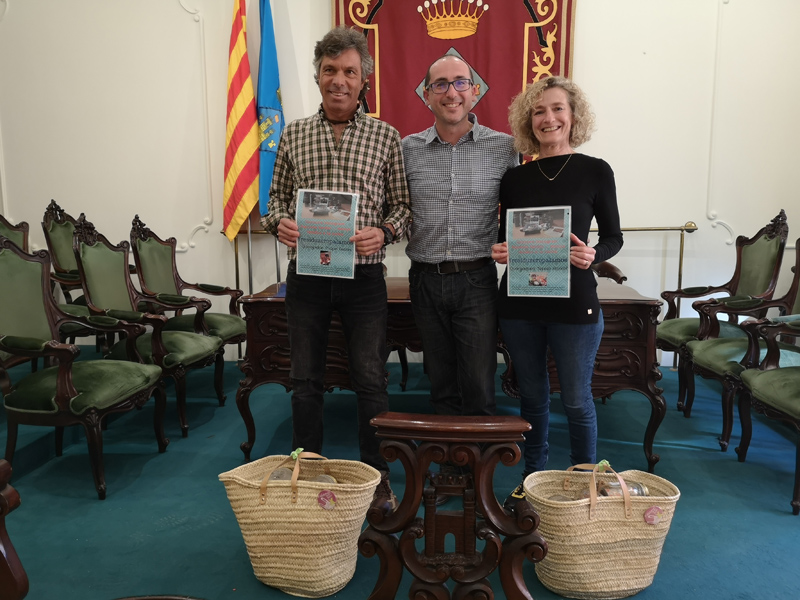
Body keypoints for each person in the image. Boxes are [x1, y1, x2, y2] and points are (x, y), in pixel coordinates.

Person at [261, 26, 411, 509]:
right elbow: (275, 200)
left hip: (364, 277)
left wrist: (384, 232)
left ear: (364, 77)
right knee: (305, 380)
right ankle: (308, 471)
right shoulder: (295, 133)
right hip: (306, 277)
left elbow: (403, 209)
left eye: (349, 71)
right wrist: (279, 222)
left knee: (371, 378)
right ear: (318, 75)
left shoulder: (386, 136)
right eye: (330, 70)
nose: (339, 80)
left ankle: (376, 476)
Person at [491, 76, 623, 510]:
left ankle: (584, 480)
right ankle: (533, 478)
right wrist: (501, 249)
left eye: (557, 109)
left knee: (576, 398)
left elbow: (614, 237)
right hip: (519, 302)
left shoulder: (595, 170)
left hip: (574, 302)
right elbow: (504, 234)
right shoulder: (513, 178)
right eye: (539, 112)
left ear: (573, 116)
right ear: (529, 122)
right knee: (531, 395)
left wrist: (595, 254)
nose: (548, 118)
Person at [403, 55, 518, 421]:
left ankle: (476, 468)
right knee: (440, 381)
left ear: (474, 91)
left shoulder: (504, 148)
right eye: (440, 84)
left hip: (476, 280)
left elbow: (521, 210)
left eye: (459, 83)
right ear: (426, 94)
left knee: (479, 382)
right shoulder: (406, 149)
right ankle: (448, 463)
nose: (450, 92)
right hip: (424, 279)